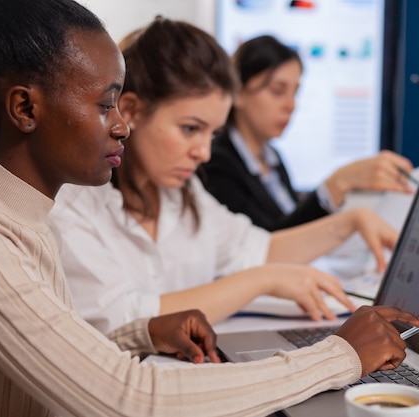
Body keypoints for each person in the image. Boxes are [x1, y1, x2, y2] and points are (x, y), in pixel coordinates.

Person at [0, 1, 419, 416]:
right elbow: (125, 398)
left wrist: (142, 333)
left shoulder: (26, 221)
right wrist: (338, 357)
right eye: (106, 105)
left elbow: (60, 347)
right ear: (25, 109)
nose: (122, 127)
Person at [49, 18, 400, 333]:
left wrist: (350, 221)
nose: (203, 152)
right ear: (132, 111)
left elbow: (259, 249)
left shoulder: (184, 194)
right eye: (190, 129)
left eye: (212, 135)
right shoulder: (73, 203)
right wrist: (261, 281)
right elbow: (121, 319)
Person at [200, 35, 415, 231]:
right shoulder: (217, 164)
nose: (291, 105)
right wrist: (335, 185)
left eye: (295, 93)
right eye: (277, 91)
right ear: (238, 93)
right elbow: (264, 248)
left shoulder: (272, 160)